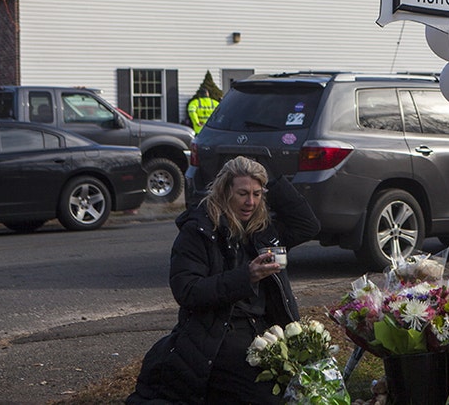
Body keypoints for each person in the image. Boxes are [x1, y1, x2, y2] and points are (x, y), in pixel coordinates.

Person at [127, 156, 321, 405]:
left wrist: (272, 177)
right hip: (220, 333)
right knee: (269, 397)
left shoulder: (263, 228)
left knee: (311, 385)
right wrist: (246, 277)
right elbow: (187, 291)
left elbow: (308, 225)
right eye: (242, 193)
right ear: (225, 191)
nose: (250, 202)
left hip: (266, 329)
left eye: (257, 194)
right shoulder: (199, 230)